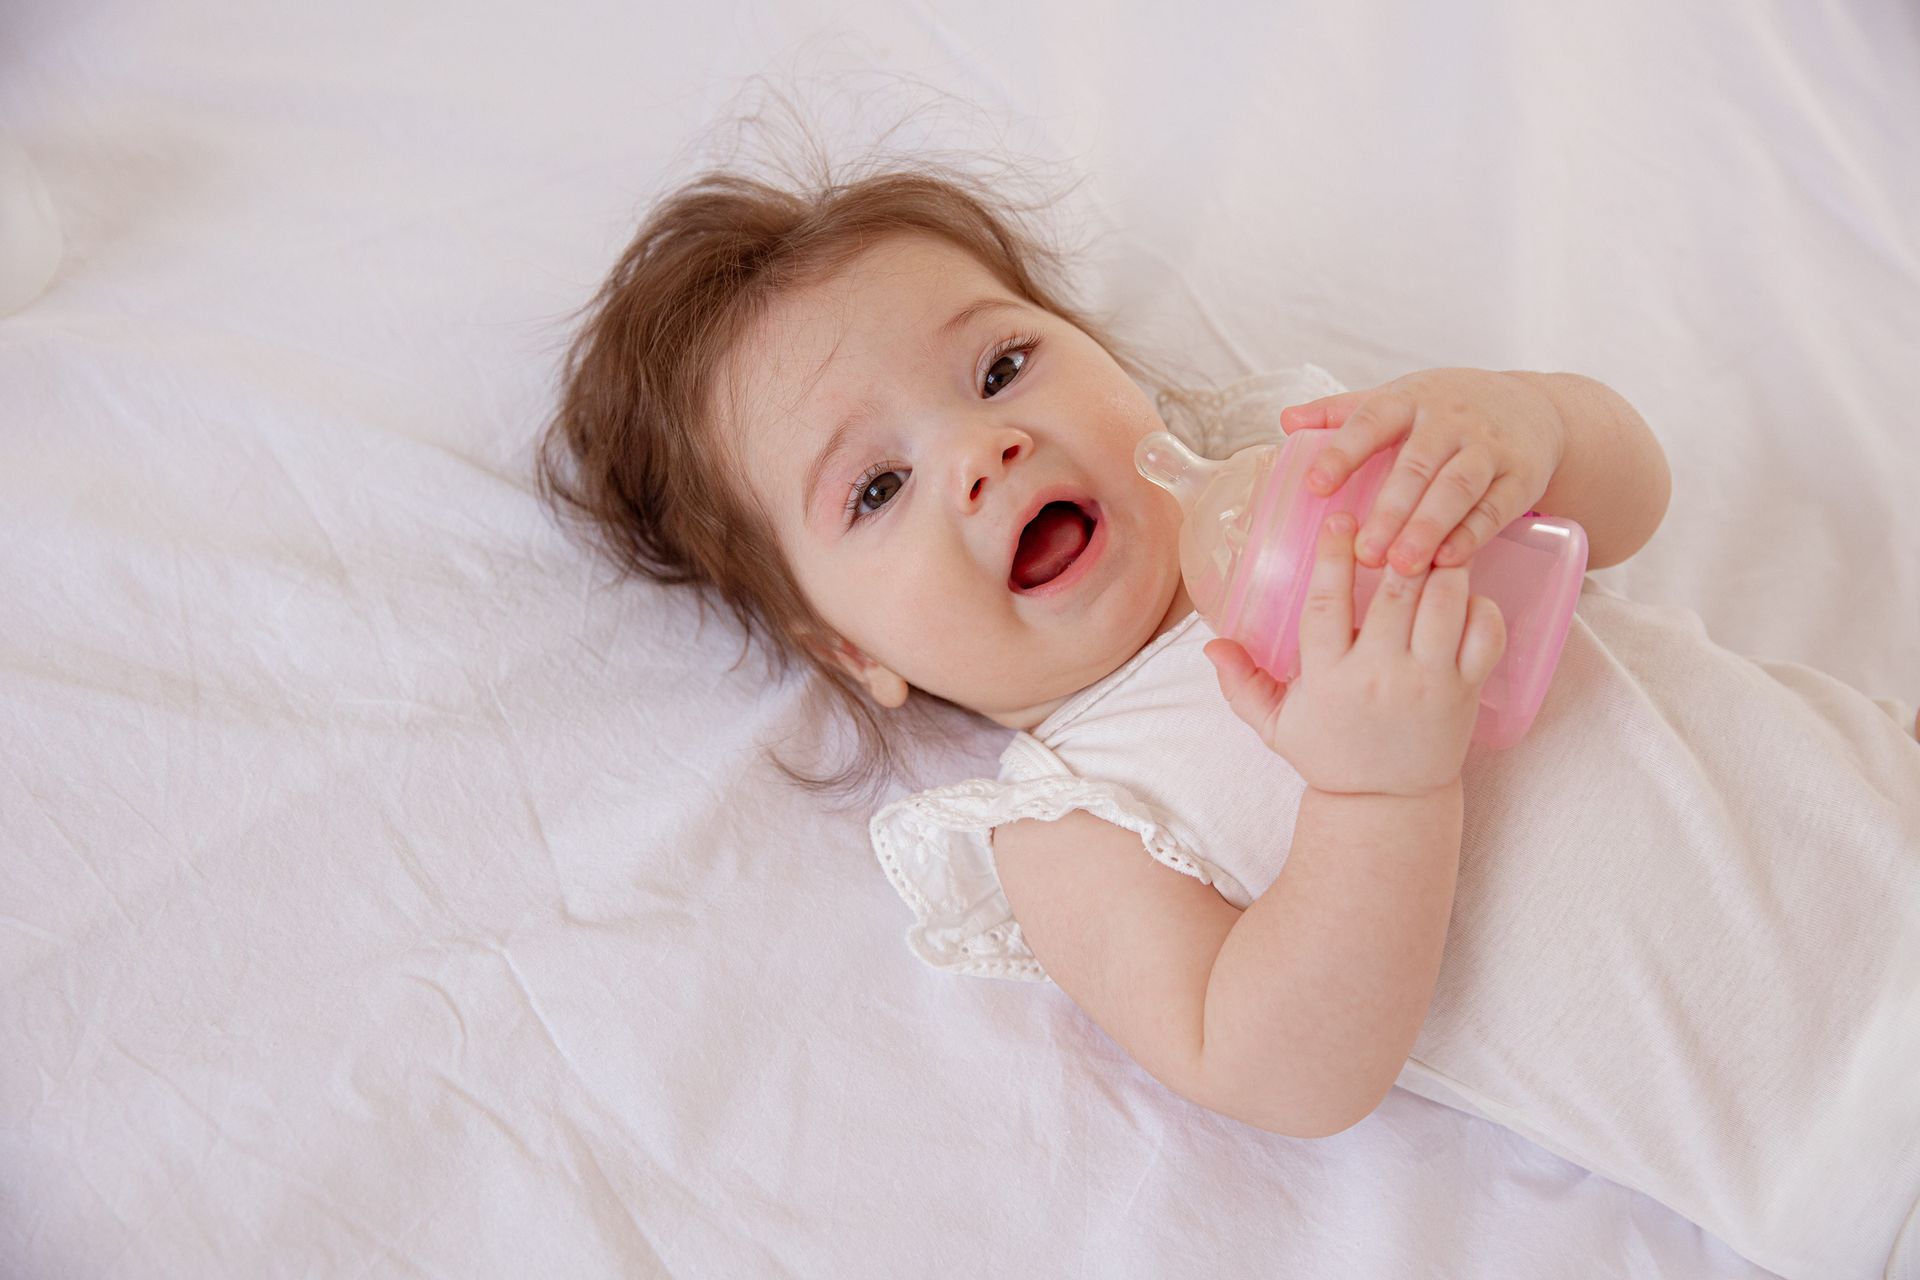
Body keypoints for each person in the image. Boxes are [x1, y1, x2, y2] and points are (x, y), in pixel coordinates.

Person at [537, 159, 1920, 1280]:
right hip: (1842, 1102)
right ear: (853, 649)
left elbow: (1622, 511)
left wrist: (1532, 428)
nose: (980, 450)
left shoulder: (1309, 458)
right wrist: (1381, 796)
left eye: (1003, 367)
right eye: (877, 490)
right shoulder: (1072, 817)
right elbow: (1272, 1065)